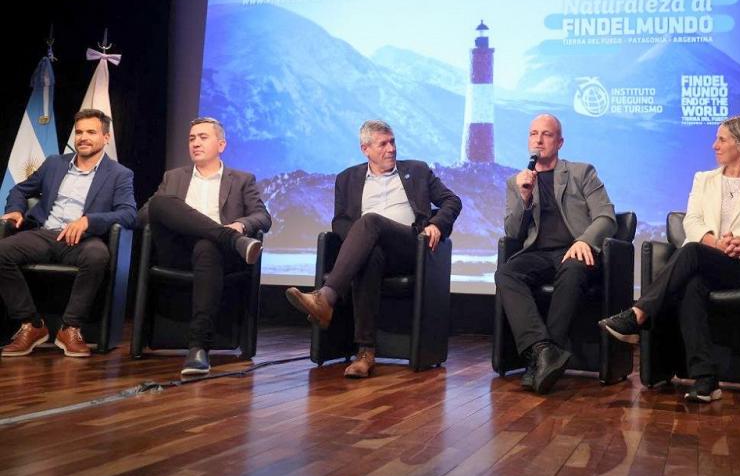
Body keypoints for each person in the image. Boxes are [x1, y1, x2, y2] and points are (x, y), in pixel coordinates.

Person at [599, 115, 740, 402]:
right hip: (708, 257)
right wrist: (715, 242)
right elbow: (693, 223)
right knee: (692, 284)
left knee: (689, 251)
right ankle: (706, 380)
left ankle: (638, 315)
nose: (714, 145)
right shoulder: (704, 179)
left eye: (721, 139)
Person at [286, 120, 462, 379]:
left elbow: (452, 201)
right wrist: (361, 244)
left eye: (392, 142)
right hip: (376, 250)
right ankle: (365, 353)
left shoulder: (418, 170)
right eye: (383, 144)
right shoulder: (347, 179)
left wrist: (436, 224)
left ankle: (326, 298)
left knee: (370, 220)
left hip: (411, 247)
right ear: (365, 149)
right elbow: (341, 223)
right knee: (370, 257)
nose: (391, 149)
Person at [138, 117, 271, 375]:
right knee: (161, 203)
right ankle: (228, 238)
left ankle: (198, 347)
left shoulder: (242, 180)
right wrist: (227, 233)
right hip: (176, 251)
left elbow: (263, 217)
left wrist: (241, 226)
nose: (195, 143)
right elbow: (143, 215)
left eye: (202, 137)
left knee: (206, 246)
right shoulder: (173, 177)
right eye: (191, 138)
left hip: (215, 256)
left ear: (221, 145)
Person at [495, 113, 616, 394]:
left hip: (575, 250)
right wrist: (524, 198)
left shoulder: (581, 172)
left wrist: (585, 240)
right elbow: (513, 233)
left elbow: (606, 217)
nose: (538, 140)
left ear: (559, 142)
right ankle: (542, 351)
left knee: (572, 268)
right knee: (506, 273)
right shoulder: (517, 182)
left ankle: (539, 364)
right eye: (533, 134)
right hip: (539, 253)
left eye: (546, 134)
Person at [0, 109, 136, 357]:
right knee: (1, 252)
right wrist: (15, 210)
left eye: (91, 132)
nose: (83, 137)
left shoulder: (119, 174)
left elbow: (128, 214)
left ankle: (70, 327)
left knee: (97, 256)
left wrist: (89, 221)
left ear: (106, 137)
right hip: (45, 233)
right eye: (80, 132)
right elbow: (19, 190)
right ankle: (31, 325)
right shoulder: (55, 163)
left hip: (84, 240)